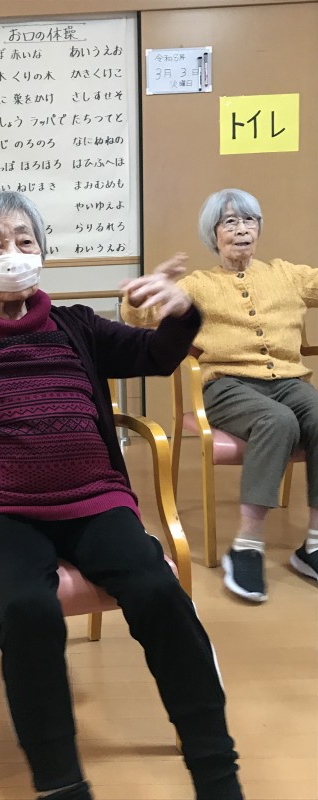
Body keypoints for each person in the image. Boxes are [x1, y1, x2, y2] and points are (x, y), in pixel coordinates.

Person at [0, 189, 244, 800]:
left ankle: (216, 773)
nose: (12, 252)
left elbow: (157, 355)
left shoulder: (75, 324)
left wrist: (180, 312)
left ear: (42, 254)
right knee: (30, 611)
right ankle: (61, 785)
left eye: (25, 240)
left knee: (158, 591)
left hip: (95, 499)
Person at [121, 188, 318, 604]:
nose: (241, 229)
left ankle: (313, 544)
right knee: (277, 421)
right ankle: (246, 546)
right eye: (230, 222)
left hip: (289, 381)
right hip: (226, 386)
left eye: (249, 220)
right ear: (213, 234)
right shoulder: (198, 284)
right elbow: (139, 316)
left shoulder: (287, 274)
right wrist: (141, 293)